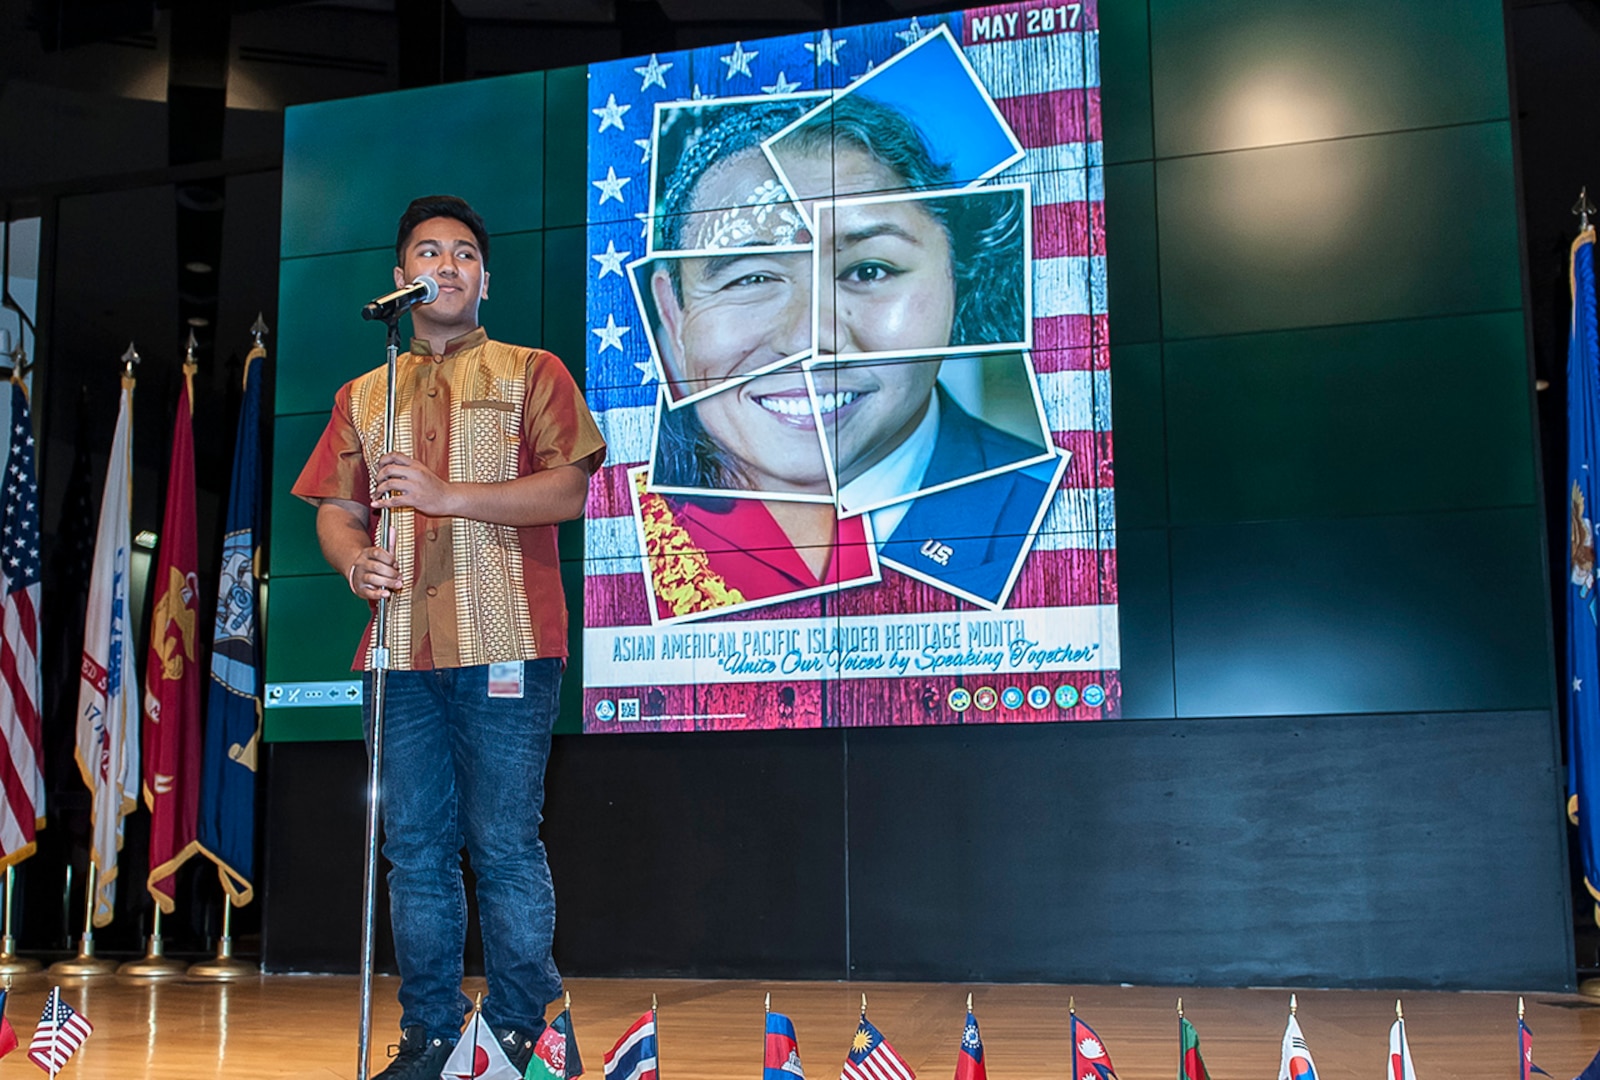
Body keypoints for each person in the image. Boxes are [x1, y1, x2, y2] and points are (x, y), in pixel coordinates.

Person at [292, 195, 605, 1079]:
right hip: (397, 653)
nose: (448, 265)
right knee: (414, 851)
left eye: (465, 253)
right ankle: (431, 1033)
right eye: (429, 253)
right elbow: (336, 514)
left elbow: (568, 493)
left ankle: (517, 1032)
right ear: (400, 282)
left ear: (485, 280)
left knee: (505, 843)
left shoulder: (531, 370)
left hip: (506, 639)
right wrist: (356, 564)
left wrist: (445, 494)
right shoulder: (364, 392)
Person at [638, 94, 1045, 613]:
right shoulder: (629, 539)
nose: (808, 340)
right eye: (752, 278)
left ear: (957, 281)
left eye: (869, 270)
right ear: (672, 318)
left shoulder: (1053, 512)